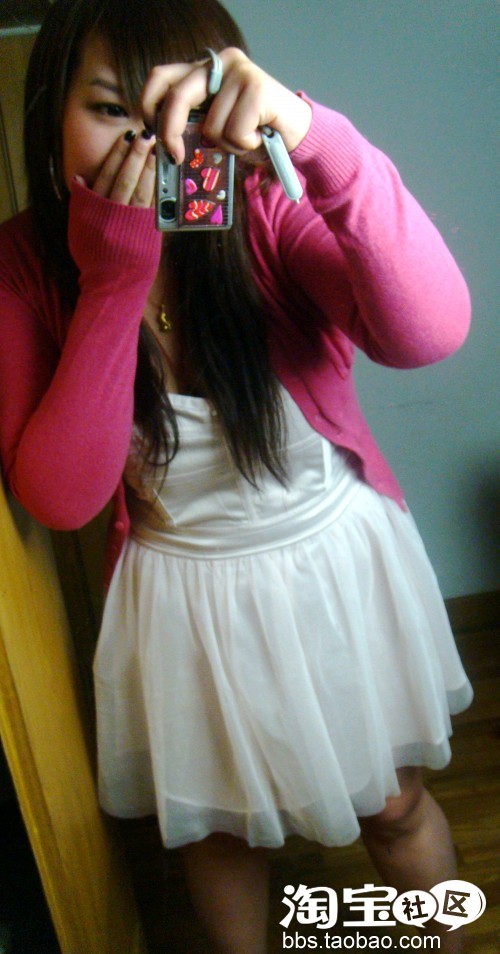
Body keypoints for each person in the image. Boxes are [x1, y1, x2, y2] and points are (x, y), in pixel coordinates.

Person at [0, 0, 473, 951]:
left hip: (333, 564)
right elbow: (61, 497)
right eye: (109, 109)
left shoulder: (264, 212)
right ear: (50, 113)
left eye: (176, 108)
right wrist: (113, 280)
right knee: (217, 839)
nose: (153, 145)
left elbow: (428, 332)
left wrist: (317, 137)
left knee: (393, 805)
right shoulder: (24, 262)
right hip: (178, 594)